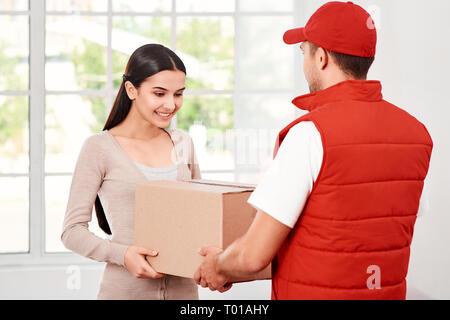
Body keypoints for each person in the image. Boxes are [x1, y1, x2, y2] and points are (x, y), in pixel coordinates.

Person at [194, 1, 433, 300]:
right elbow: (382, 220)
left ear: (320, 58)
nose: (304, 63)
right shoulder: (415, 134)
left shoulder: (310, 134)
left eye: (304, 53)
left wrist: (216, 265)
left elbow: (253, 256)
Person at [61, 44, 203, 299]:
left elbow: (201, 219)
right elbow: (72, 231)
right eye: (159, 93)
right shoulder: (99, 148)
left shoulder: (183, 143)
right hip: (123, 292)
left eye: (178, 94)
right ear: (131, 90)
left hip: (184, 294)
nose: (170, 105)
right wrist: (123, 255)